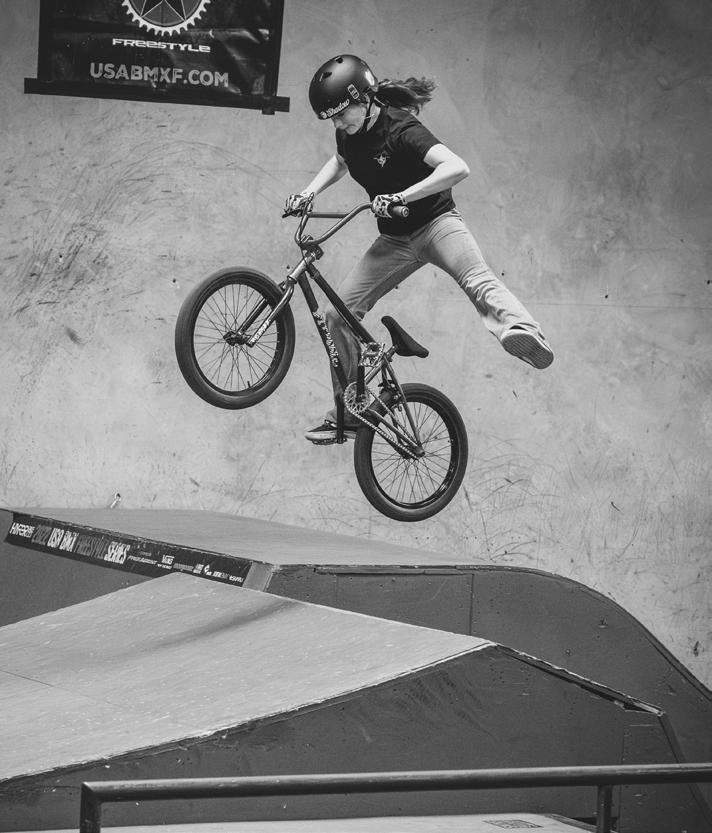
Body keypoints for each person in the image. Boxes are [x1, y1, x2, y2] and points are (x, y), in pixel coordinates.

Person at [284, 54, 553, 444]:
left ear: (365, 99)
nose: (338, 124)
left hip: (437, 225)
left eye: (342, 115)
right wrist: (309, 192)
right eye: (332, 119)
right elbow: (340, 162)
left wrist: (402, 196)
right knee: (336, 315)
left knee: (477, 280)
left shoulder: (402, 128)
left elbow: (457, 168)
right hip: (394, 241)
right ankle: (353, 409)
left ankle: (524, 332)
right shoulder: (348, 134)